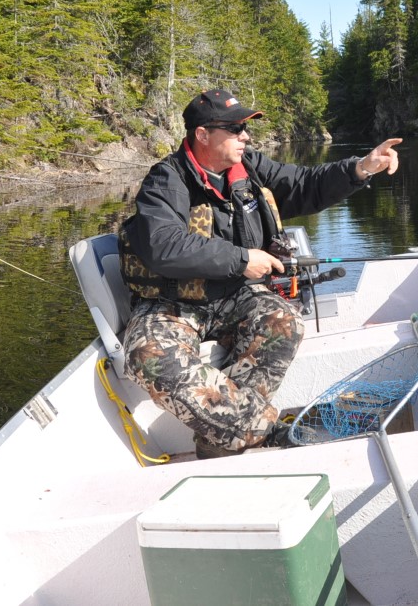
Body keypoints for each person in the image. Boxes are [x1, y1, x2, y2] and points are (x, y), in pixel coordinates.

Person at [118, 88, 402, 458]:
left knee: (284, 319)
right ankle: (263, 431)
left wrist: (361, 168)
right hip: (170, 304)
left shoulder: (249, 168)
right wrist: (240, 259)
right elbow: (163, 245)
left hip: (231, 296)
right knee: (149, 357)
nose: (245, 136)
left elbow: (305, 185)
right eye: (235, 129)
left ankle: (218, 442)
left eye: (245, 128)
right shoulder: (166, 180)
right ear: (202, 134)